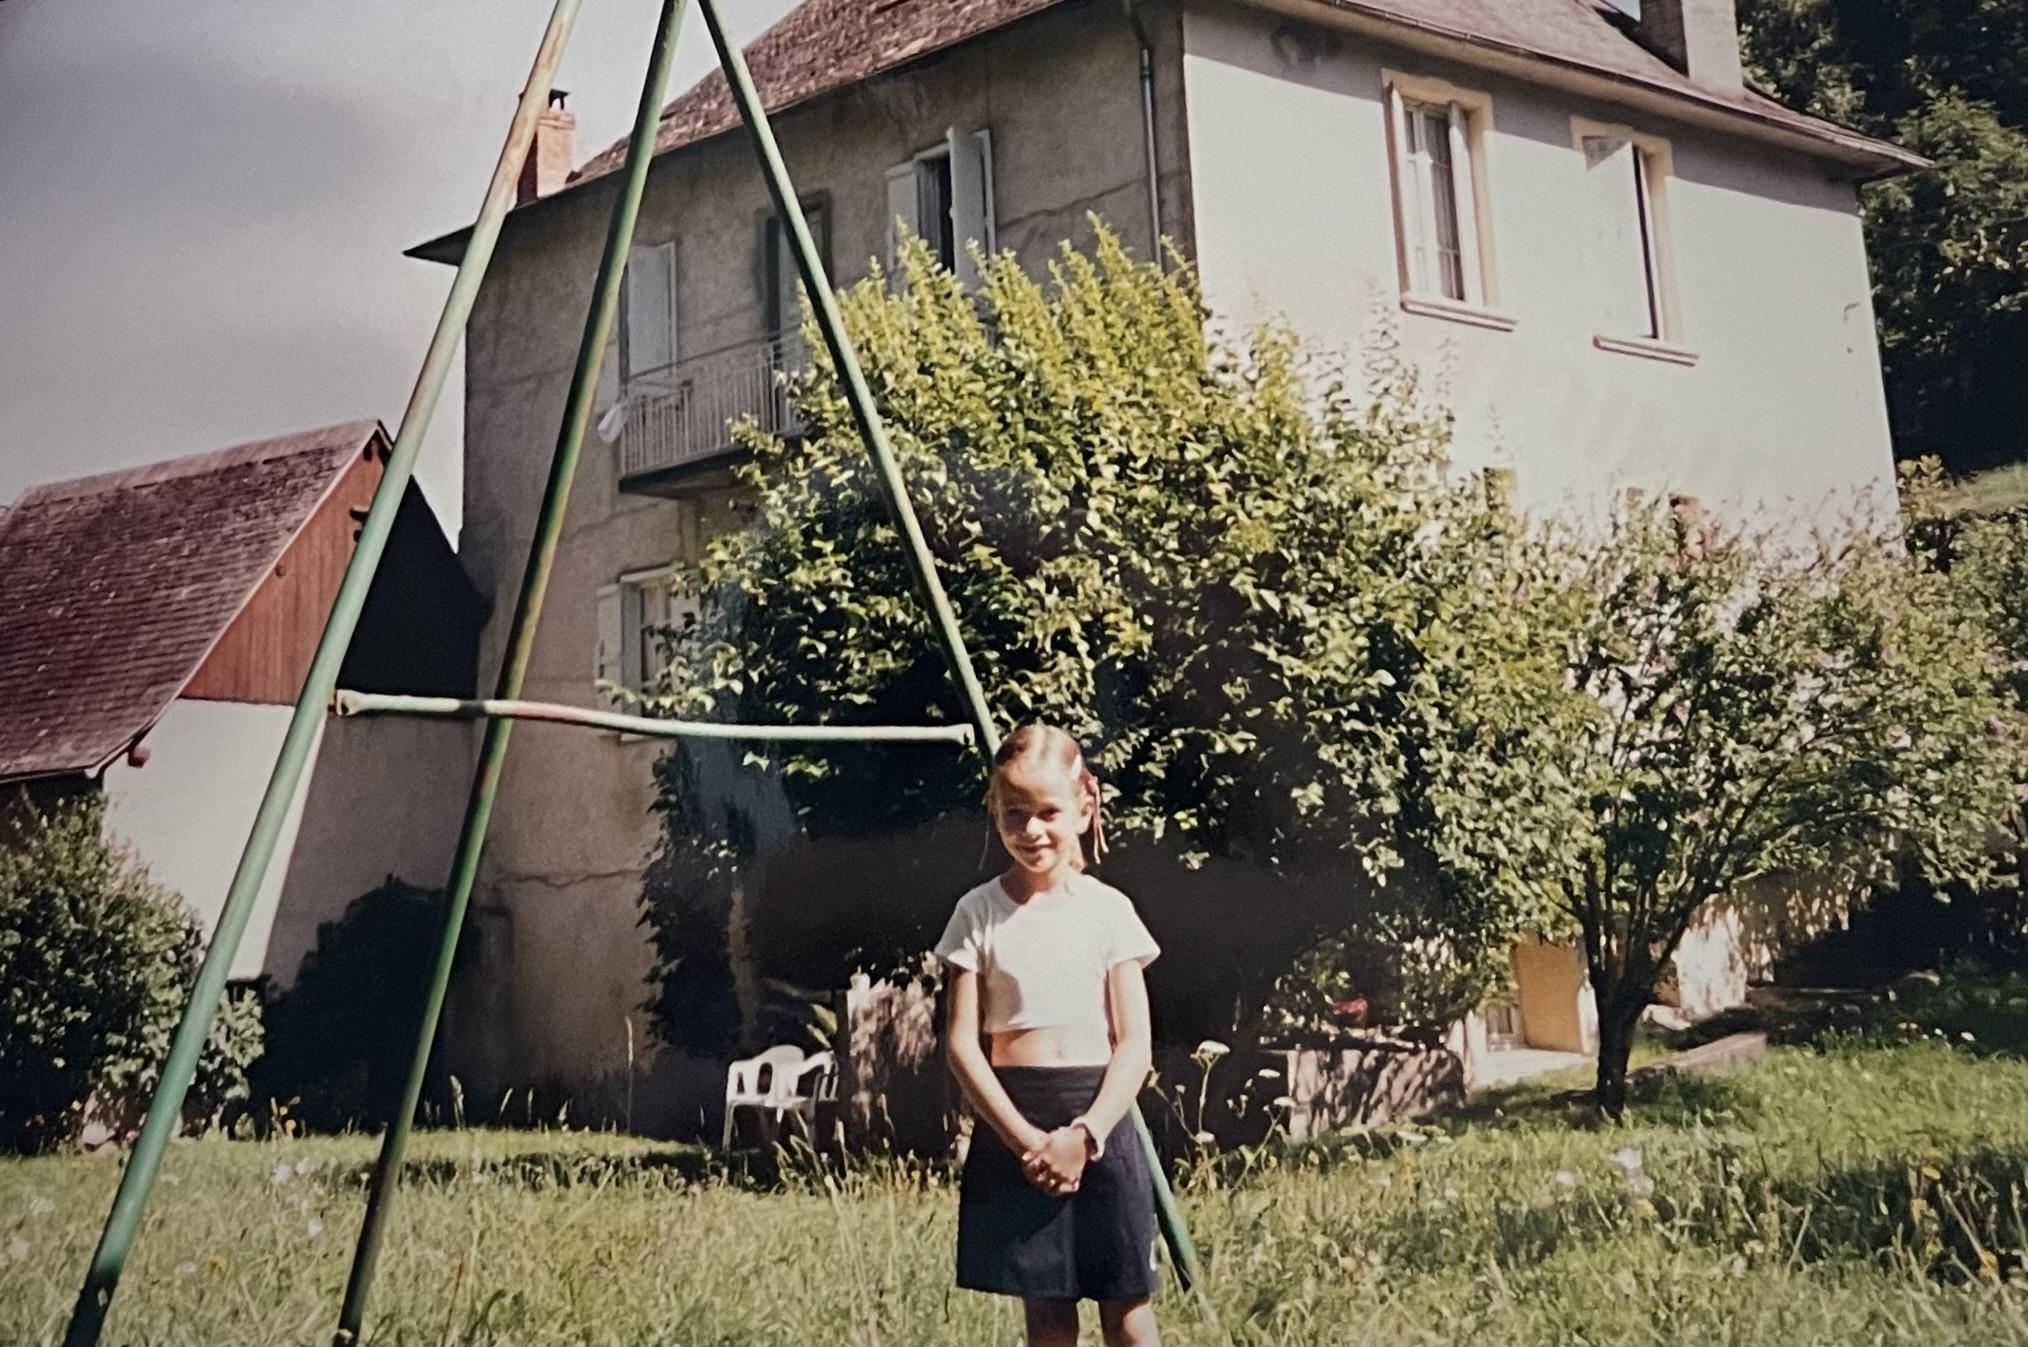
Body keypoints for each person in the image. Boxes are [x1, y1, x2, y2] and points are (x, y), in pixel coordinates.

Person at [935, 723, 1163, 1347]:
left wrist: (1085, 1136)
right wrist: (1028, 1142)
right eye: (1015, 813)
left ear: (1084, 809)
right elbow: (962, 1044)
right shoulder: (977, 913)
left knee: (1128, 1308)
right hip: (1019, 1127)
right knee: (1049, 1315)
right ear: (995, 812)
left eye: (1048, 812)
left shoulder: (1108, 911)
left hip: (1100, 1123)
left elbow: (1135, 1044)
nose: (1031, 829)